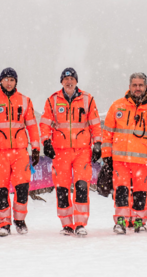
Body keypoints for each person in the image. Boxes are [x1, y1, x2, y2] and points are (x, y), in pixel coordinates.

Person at [39, 68, 102, 236]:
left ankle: (80, 223)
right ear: (61, 82)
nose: (69, 82)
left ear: (76, 81)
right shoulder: (52, 100)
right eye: (66, 79)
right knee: (62, 189)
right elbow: (45, 123)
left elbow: (95, 124)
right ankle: (67, 224)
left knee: (82, 186)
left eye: (72, 79)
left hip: (82, 151)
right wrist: (46, 141)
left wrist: (97, 143)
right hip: (60, 152)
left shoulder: (88, 99)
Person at [102, 73, 147, 234]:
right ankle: (121, 221)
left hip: (144, 161)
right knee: (121, 191)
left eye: (140, 85)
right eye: (134, 85)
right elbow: (107, 133)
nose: (137, 88)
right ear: (129, 86)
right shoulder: (117, 106)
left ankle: (139, 221)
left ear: (146, 87)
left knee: (141, 192)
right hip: (120, 159)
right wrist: (106, 154)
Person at [0, 67, 40, 237]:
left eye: (12, 79)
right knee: (1, 189)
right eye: (6, 79)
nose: (9, 82)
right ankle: (4, 223)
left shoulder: (25, 101)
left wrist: (35, 147)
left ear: (16, 82)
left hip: (20, 152)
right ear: (0, 81)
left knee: (22, 187)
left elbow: (32, 126)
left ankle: (20, 221)